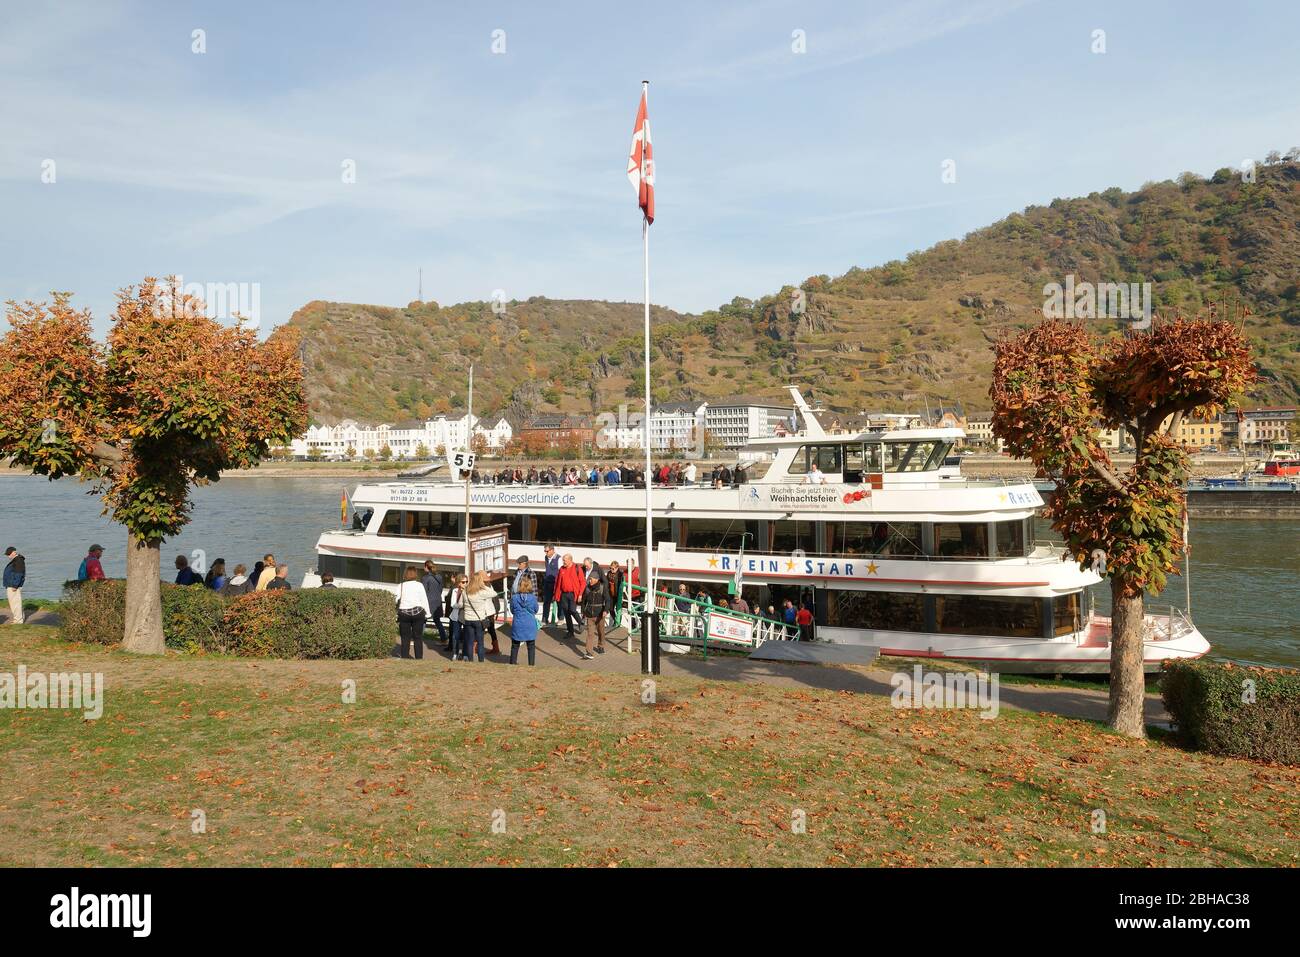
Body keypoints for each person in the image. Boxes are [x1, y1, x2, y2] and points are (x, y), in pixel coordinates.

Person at [462, 571, 498, 662]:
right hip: (479, 619)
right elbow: (494, 593)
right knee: (480, 642)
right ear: (480, 582)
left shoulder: (465, 591)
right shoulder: (481, 592)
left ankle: (470, 661)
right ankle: (481, 661)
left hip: (468, 619)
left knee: (470, 642)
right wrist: (484, 585)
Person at [396, 567, 431, 660]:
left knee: (405, 637)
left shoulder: (401, 585)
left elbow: (396, 600)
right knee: (418, 637)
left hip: (404, 613)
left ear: (405, 574)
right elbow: (424, 600)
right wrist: (427, 613)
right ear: (415, 574)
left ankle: (405, 657)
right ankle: (419, 658)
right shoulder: (419, 585)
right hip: (418, 613)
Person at [553, 553, 586, 640]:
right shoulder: (561, 569)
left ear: (570, 560)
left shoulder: (577, 568)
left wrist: (580, 594)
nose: (563, 562)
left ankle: (581, 623)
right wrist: (556, 594)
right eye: (563, 560)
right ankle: (570, 632)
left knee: (572, 610)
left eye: (564, 560)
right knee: (566, 613)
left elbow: (583, 582)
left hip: (573, 593)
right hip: (564, 594)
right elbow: (558, 582)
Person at [508, 576, 539, 666]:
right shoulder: (533, 598)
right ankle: (531, 665)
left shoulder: (514, 598)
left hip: (518, 623)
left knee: (515, 645)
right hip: (530, 624)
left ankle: (512, 664)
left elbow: (512, 610)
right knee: (531, 646)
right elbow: (536, 610)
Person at [580, 571, 607, 659]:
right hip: (589, 614)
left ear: (596, 579)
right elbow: (584, 601)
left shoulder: (603, 588)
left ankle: (601, 646)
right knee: (590, 634)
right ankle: (589, 652)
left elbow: (608, 600)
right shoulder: (587, 588)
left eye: (591, 579)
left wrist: (606, 610)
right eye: (589, 579)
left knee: (601, 632)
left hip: (600, 614)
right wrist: (583, 612)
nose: (589, 580)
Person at [421, 560, 446, 643]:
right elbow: (441, 589)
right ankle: (444, 639)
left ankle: (418, 639)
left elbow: (423, 592)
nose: (423, 568)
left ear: (426, 567)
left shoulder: (425, 578)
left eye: (424, 566)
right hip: (438, 602)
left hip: (428, 602)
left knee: (423, 620)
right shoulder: (439, 577)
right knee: (437, 621)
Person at [3, 546, 25, 625]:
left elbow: (19, 574)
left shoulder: (18, 561)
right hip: (12, 585)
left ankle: (18, 621)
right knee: (16, 603)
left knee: (15, 603)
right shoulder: (17, 560)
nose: (8, 556)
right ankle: (19, 618)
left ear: (13, 552)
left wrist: (15, 586)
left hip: (13, 586)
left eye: (9, 554)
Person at [447, 574, 466, 660]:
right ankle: (455, 653)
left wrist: (460, 605)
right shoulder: (455, 591)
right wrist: (462, 605)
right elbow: (453, 604)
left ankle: (465, 654)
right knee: (455, 636)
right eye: (463, 582)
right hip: (456, 616)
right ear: (458, 583)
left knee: (467, 636)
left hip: (466, 616)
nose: (465, 583)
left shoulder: (468, 591)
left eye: (466, 582)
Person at [541, 544, 560, 625]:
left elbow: (561, 572)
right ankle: (545, 619)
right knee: (546, 601)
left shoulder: (559, 559)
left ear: (552, 550)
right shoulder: (546, 558)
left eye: (547, 551)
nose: (546, 553)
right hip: (547, 582)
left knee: (559, 601)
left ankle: (561, 618)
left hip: (556, 583)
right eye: (545, 551)